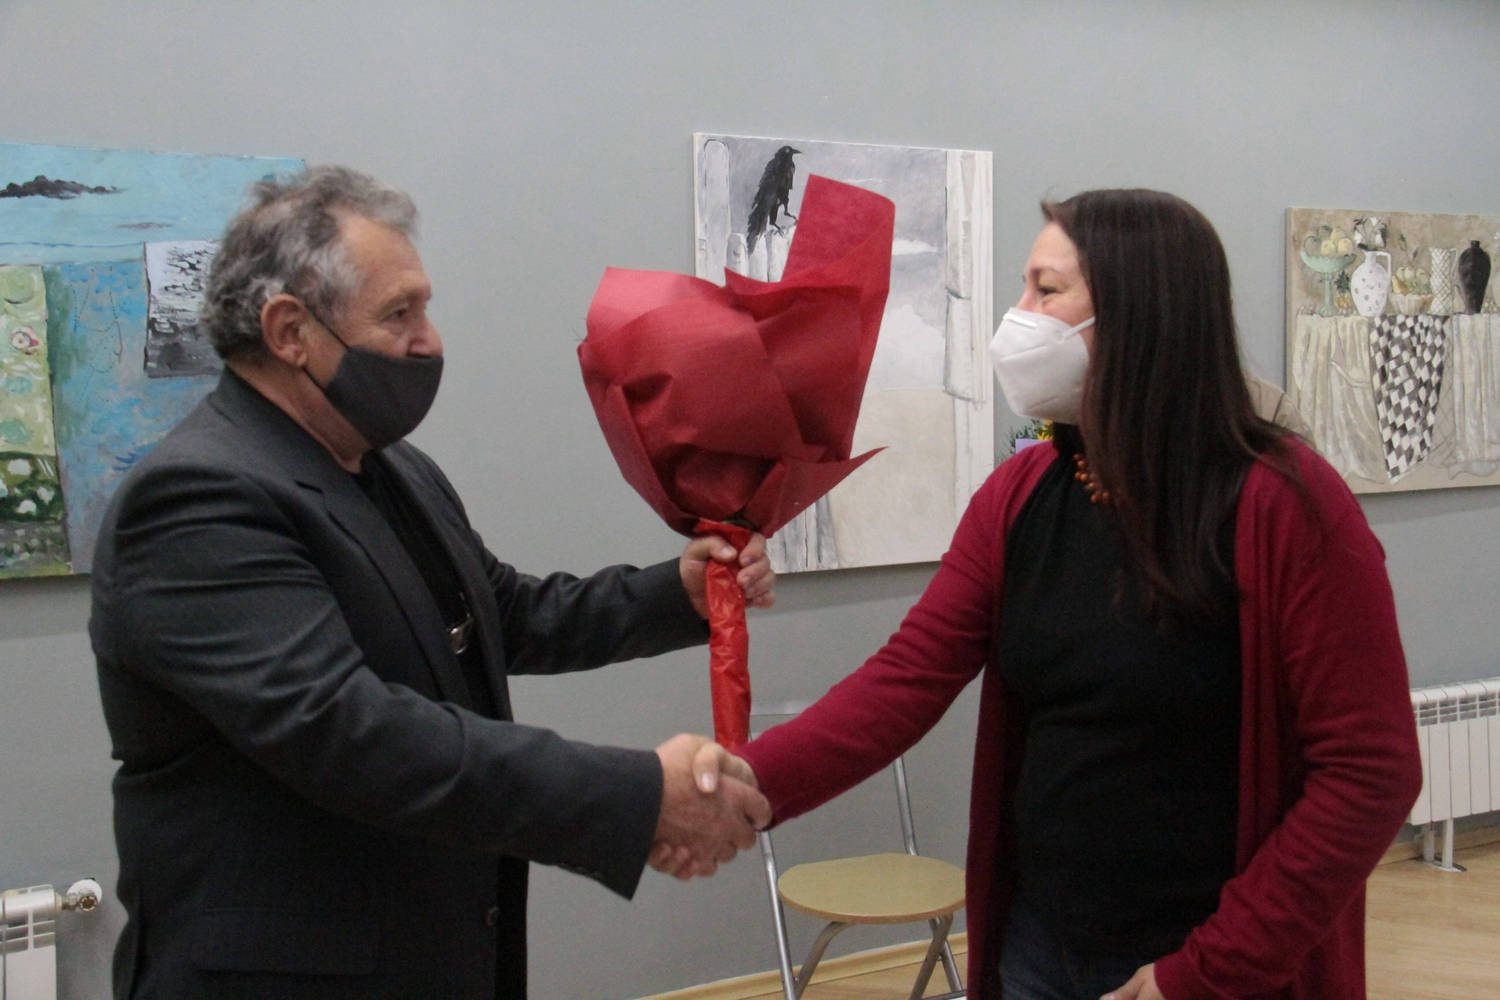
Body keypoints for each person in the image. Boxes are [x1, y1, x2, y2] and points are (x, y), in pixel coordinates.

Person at [681, 189, 1423, 999]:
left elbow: (1370, 772)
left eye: (1046, 289)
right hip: (1041, 947)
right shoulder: (1021, 494)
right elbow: (903, 681)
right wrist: (747, 781)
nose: (1018, 316)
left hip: (1207, 964)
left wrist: (1202, 973)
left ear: (1138, 315)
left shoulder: (1288, 506)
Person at [90, 164, 773, 1000]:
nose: (429, 341)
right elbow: (347, 731)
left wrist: (676, 592)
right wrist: (636, 796)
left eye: (425, 308)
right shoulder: (197, 498)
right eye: (398, 314)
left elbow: (503, 614)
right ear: (289, 330)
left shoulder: (391, 467)